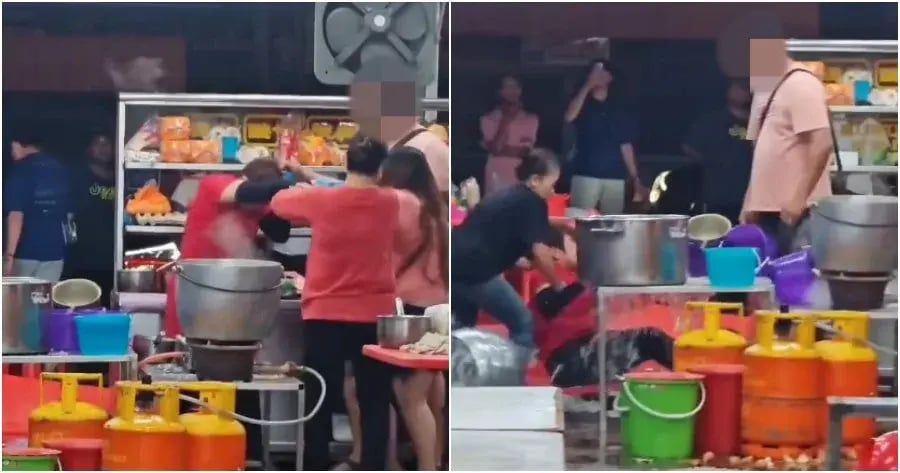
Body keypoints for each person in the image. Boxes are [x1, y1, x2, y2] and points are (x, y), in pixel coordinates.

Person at [270, 135, 422, 471]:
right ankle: (372, 466)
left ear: (345, 163)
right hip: (374, 312)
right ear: (381, 168)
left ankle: (316, 464)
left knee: (320, 395)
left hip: (324, 311)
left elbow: (279, 202)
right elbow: (413, 223)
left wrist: (304, 179)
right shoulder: (398, 202)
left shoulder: (319, 201)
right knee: (374, 399)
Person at [163, 157, 292, 466]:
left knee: (240, 381)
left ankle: (247, 458)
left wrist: (288, 202)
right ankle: (184, 455)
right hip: (195, 298)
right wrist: (294, 181)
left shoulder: (257, 203)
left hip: (234, 306)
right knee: (191, 379)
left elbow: (281, 230)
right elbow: (247, 194)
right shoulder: (216, 185)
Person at [451, 148, 565, 357]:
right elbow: (539, 252)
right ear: (535, 181)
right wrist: (558, 285)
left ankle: (457, 376)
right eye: (552, 184)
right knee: (522, 320)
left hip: (453, 264)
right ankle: (515, 378)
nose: (554, 191)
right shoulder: (533, 202)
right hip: (476, 272)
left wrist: (520, 260)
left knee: (463, 325)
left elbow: (496, 236)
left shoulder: (510, 195)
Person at [379, 146, 449, 471]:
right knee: (431, 394)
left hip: (409, 311)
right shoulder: (436, 209)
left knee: (409, 397)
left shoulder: (400, 203)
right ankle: (433, 461)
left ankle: (421, 466)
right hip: (438, 309)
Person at [742, 39, 833, 254]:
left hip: (798, 211)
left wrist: (798, 199)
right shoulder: (764, 89)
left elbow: (821, 144)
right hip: (766, 212)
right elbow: (761, 152)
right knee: (768, 277)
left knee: (797, 276)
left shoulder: (802, 84)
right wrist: (750, 202)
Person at [564, 61, 645, 214]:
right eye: (595, 72)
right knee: (579, 219)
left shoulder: (619, 107)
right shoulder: (583, 103)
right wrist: (587, 85)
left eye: (602, 72)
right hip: (585, 172)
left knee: (612, 223)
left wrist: (635, 177)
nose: (598, 76)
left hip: (615, 175)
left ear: (610, 77)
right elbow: (569, 117)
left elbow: (625, 144)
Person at [682, 80, 754, 224]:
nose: (742, 91)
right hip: (718, 195)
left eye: (746, 88)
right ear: (728, 91)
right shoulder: (711, 122)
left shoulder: (760, 122)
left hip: (752, 197)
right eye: (738, 87)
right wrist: (713, 163)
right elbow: (689, 148)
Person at [4, 129, 71, 281]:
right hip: (55, 252)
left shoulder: (19, 171)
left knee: (18, 302)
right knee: (44, 301)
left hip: (25, 253)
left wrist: (9, 256)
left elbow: (16, 215)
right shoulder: (60, 169)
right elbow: (68, 212)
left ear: (17, 144)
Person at [64, 132, 117, 305]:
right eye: (98, 144)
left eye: (107, 144)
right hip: (85, 255)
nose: (104, 149)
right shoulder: (78, 176)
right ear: (89, 149)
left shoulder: (120, 175)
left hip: (113, 254)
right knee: (84, 302)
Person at [481, 75, 539, 194]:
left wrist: (502, 150)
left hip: (521, 174)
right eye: (507, 87)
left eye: (515, 86)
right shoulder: (487, 119)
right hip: (495, 174)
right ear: (500, 92)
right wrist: (506, 121)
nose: (512, 90)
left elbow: (524, 151)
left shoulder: (531, 120)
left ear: (520, 90)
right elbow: (496, 149)